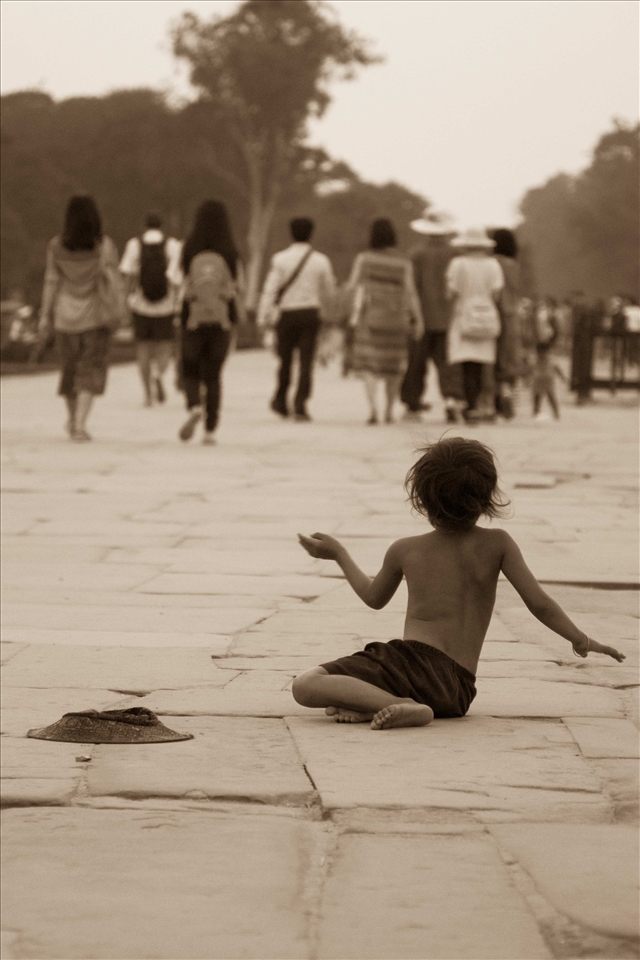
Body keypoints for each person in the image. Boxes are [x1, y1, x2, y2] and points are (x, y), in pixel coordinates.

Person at [293, 437, 625, 730]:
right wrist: (580, 639)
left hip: (412, 667)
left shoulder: (406, 549)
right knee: (341, 695)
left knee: (307, 684)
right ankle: (382, 703)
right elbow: (538, 603)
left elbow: (372, 597)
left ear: (421, 499)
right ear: (486, 498)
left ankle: (396, 704)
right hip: (457, 692)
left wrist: (339, 553)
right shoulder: (499, 544)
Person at [38, 195, 124, 442]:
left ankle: (72, 419)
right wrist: (119, 311)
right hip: (95, 319)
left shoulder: (55, 246)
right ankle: (79, 424)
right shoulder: (104, 246)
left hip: (64, 319)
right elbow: (114, 283)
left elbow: (51, 282)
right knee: (90, 370)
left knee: (69, 371)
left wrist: (45, 315)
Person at [178, 200, 246, 445]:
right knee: (214, 374)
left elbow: (180, 283)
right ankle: (210, 429)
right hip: (221, 319)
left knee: (190, 367)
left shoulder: (189, 248)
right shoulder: (230, 250)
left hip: (192, 318)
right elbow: (238, 287)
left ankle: (194, 404)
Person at [346, 219, 424, 424]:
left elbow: (352, 286)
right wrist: (419, 319)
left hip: (370, 319)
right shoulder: (403, 262)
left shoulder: (364, 259)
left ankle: (373, 410)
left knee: (369, 366)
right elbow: (411, 293)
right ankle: (389, 411)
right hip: (397, 320)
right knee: (393, 367)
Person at [258, 217, 336, 421]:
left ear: (290, 233)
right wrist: (330, 315)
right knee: (306, 361)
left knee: (284, 360)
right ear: (311, 233)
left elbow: (270, 289)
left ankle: (281, 401)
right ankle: (301, 404)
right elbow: (329, 292)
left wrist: (263, 314)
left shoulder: (280, 259)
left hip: (287, 315)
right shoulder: (321, 260)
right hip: (310, 314)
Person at [400, 218, 464, 423]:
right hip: (448, 318)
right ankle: (451, 401)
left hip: (422, 318)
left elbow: (411, 289)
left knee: (416, 364)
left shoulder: (416, 254)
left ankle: (412, 404)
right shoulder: (455, 255)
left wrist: (412, 316)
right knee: (448, 365)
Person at [119, 212, 182, 406]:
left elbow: (128, 276)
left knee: (143, 349)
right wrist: (177, 303)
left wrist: (125, 303)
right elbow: (176, 279)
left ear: (145, 226)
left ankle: (147, 395)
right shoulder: (173, 245)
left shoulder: (134, 244)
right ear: (161, 226)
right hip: (166, 306)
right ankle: (159, 374)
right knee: (165, 346)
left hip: (140, 306)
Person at [445, 227, 504, 422]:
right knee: (480, 365)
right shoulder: (493, 265)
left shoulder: (458, 264)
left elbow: (451, 293)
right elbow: (496, 294)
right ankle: (477, 404)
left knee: (465, 364)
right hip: (486, 315)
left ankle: (467, 404)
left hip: (464, 316)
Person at [491, 228, 521, 419]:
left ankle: (495, 400)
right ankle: (508, 393)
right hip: (513, 316)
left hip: (496, 312)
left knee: (493, 360)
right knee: (508, 360)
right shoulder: (514, 265)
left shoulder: (493, 263)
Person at [532, 298, 560, 420]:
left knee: (539, 396)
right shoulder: (549, 357)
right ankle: (555, 413)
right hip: (546, 378)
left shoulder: (539, 357)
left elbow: (529, 368)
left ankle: (536, 412)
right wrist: (563, 378)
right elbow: (557, 368)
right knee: (549, 396)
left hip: (540, 378)